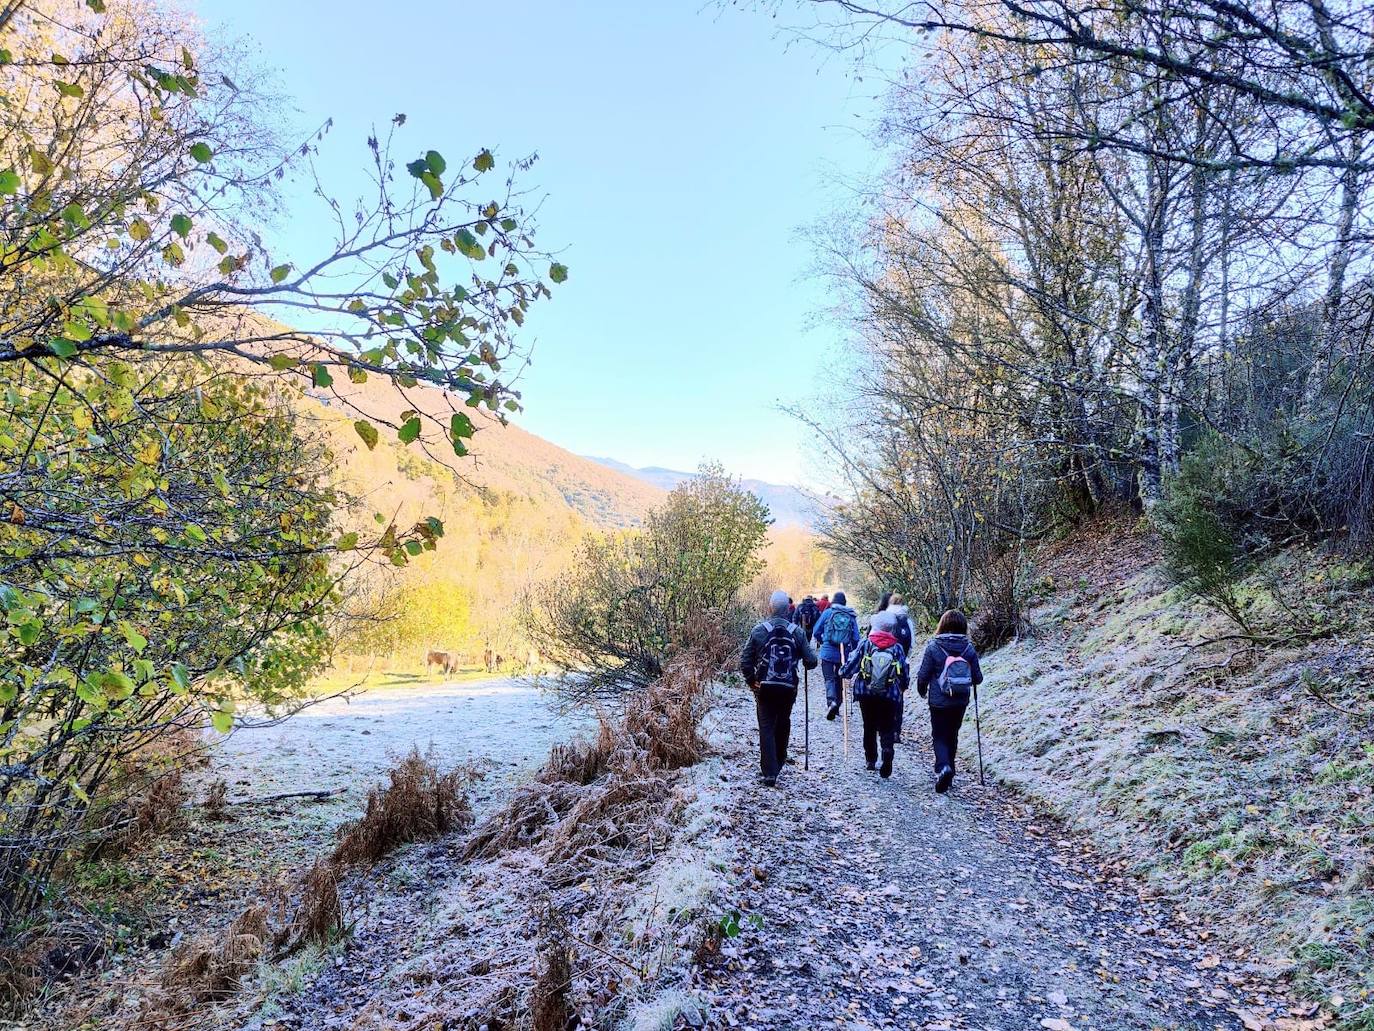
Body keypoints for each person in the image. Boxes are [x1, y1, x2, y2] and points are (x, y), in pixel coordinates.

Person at [741, 590, 818, 787]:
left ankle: (769, 772)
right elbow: (811, 661)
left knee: (766, 726)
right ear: (788, 610)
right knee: (783, 722)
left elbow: (745, 660)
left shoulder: (759, 630)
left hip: (764, 687)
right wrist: (806, 662)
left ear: (770, 608)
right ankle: (780, 759)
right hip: (788, 687)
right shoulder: (797, 632)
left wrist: (751, 681)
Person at [914, 609, 984, 793]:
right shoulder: (968, 648)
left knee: (939, 735)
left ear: (942, 625)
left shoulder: (933, 646)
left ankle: (943, 767)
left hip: (938, 701)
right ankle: (949, 773)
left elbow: (923, 674)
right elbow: (978, 678)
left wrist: (921, 690)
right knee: (952, 735)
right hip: (960, 701)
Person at [839, 609, 908, 778]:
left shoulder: (866, 643)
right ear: (891, 628)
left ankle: (870, 759)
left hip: (866, 692)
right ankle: (887, 750)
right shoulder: (897, 647)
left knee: (869, 725)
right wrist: (903, 687)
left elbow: (851, 666)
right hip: (890, 693)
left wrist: (843, 672)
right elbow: (904, 672)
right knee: (887, 725)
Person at [811, 590, 859, 721]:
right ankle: (837, 705)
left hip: (827, 651)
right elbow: (856, 637)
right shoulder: (851, 615)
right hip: (843, 654)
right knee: (840, 679)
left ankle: (831, 702)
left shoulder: (828, 613)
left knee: (829, 678)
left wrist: (822, 641)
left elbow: (816, 631)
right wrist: (852, 651)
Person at [887, 593, 914, 742]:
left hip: (885, 663)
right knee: (899, 697)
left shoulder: (885, 617)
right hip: (903, 662)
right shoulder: (907, 620)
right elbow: (912, 644)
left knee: (884, 694)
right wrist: (904, 657)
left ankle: (886, 728)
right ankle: (897, 731)